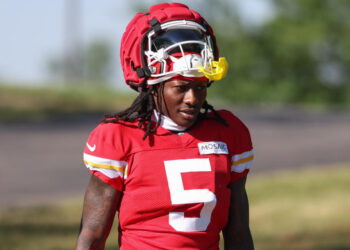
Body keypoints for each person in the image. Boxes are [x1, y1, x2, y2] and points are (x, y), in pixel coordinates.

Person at [76, 2, 254, 250]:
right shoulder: (119, 137)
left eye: (200, 87)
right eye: (181, 88)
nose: (192, 98)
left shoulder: (227, 133)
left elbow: (239, 235)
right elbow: (91, 236)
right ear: (153, 87)